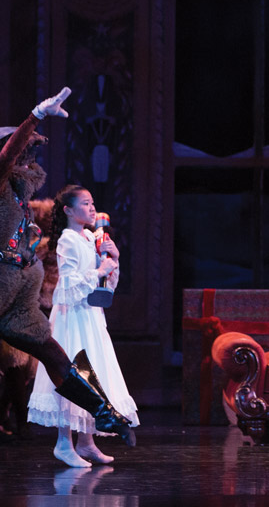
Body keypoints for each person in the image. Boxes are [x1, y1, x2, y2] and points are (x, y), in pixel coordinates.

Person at [0, 88, 134, 449]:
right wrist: (35, 116)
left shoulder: (17, 193)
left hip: (17, 291)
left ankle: (100, 411)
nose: (30, 159)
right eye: (25, 153)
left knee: (51, 353)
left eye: (32, 154)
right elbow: (7, 154)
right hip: (1, 285)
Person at [27, 185, 139, 467]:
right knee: (74, 372)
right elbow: (65, 287)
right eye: (86, 204)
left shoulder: (90, 237)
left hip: (89, 315)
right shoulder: (67, 239)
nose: (92, 208)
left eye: (92, 203)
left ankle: (87, 443)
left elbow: (104, 283)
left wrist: (112, 260)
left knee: (94, 374)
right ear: (68, 210)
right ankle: (64, 443)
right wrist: (97, 271)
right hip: (71, 318)